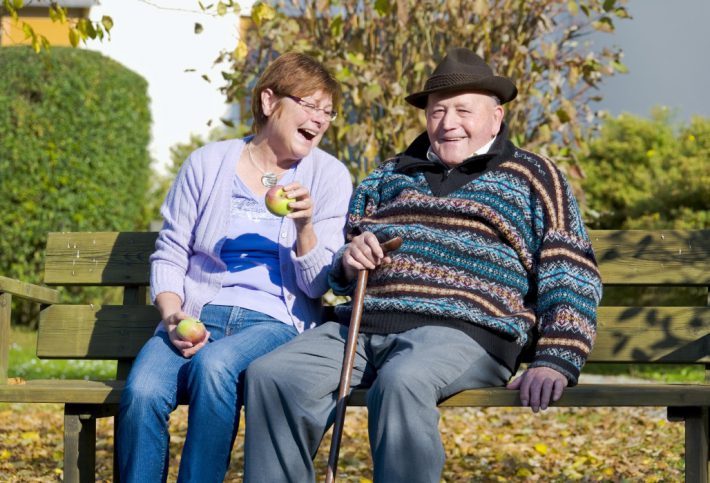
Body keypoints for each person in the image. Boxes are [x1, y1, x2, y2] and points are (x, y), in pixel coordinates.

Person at [242, 47, 603, 482]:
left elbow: (570, 270)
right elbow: (342, 261)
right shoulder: (387, 176)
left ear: (496, 116)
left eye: (463, 111)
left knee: (403, 380)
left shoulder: (533, 176)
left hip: (464, 333)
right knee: (273, 375)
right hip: (362, 325)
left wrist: (557, 356)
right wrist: (350, 260)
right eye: (437, 112)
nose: (448, 123)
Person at [116, 52, 353, 483]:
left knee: (216, 367)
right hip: (196, 312)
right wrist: (173, 316)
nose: (320, 120)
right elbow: (171, 251)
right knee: (141, 391)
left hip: (275, 321)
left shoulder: (330, 177)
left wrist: (304, 227)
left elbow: (319, 286)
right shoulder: (208, 163)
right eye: (309, 105)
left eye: (328, 111)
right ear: (268, 101)